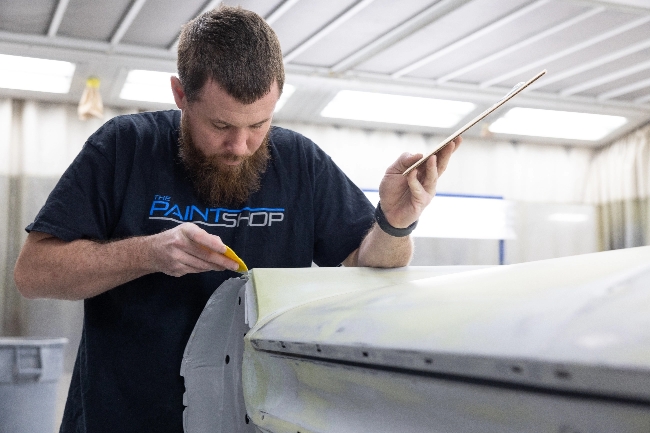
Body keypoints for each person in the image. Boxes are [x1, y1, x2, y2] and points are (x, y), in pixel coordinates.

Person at [13, 5, 460, 433]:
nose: (241, 146)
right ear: (180, 95)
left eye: (259, 124)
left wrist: (395, 223)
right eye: (222, 126)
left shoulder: (300, 162)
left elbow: (368, 269)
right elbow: (33, 275)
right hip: (122, 417)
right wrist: (149, 252)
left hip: (258, 417)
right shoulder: (124, 148)